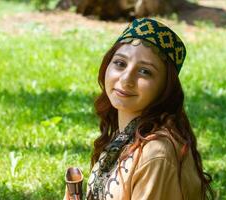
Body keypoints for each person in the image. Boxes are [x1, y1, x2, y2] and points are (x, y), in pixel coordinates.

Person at [64, 18, 213, 200]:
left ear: (165, 87)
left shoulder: (156, 153)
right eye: (120, 63)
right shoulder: (127, 135)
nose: (126, 79)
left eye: (145, 71)